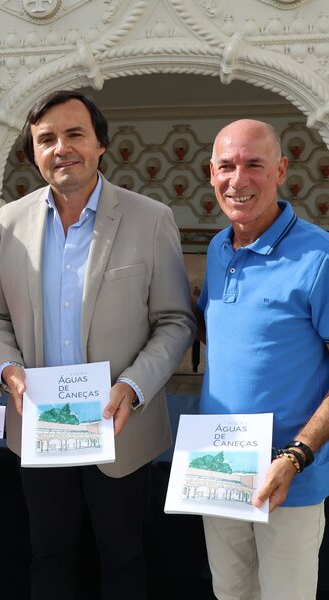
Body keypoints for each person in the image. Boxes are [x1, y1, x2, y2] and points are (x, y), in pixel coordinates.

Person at [0, 90, 195, 599]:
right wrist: (8, 368)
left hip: (121, 427)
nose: (62, 148)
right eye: (46, 139)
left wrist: (133, 386)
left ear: (101, 143)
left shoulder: (150, 219)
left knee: (123, 562)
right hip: (41, 429)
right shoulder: (10, 221)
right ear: (34, 154)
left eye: (74, 134)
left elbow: (175, 321)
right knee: (49, 559)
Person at [195, 118, 329, 600]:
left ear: (281, 170)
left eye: (254, 164)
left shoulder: (320, 256)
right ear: (211, 173)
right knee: (229, 593)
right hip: (219, 469)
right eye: (227, 166)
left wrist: (296, 455)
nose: (239, 179)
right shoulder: (217, 248)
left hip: (289, 477)